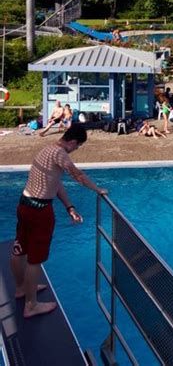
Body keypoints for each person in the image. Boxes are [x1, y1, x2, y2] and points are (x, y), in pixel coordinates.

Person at [10, 124, 108, 318]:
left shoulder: (47, 149)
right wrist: (98, 189)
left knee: (19, 249)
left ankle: (21, 288)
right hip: (39, 211)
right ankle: (31, 305)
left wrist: (69, 207)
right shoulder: (61, 154)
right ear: (72, 141)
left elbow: (55, 183)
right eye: (78, 146)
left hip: (24, 205)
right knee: (35, 260)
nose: (76, 150)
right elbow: (78, 175)